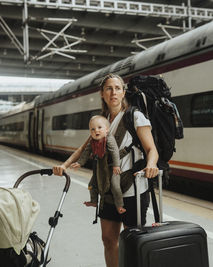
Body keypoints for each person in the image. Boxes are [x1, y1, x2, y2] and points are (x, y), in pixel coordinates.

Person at [53, 73, 159, 267]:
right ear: (102, 94)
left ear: (124, 92)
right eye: (109, 88)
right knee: (108, 239)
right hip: (108, 189)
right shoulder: (102, 121)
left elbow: (152, 149)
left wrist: (151, 164)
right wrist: (64, 165)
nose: (114, 92)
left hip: (133, 189)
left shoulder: (134, 116)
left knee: (132, 242)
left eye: (118, 88)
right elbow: (83, 148)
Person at [71, 115, 126, 215]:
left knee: (115, 186)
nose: (96, 131)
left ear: (107, 130)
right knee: (91, 185)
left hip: (112, 168)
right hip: (100, 169)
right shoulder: (92, 142)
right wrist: (79, 163)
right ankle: (94, 201)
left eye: (100, 128)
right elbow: (86, 152)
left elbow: (115, 152)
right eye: (92, 129)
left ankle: (119, 205)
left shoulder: (109, 139)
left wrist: (116, 165)